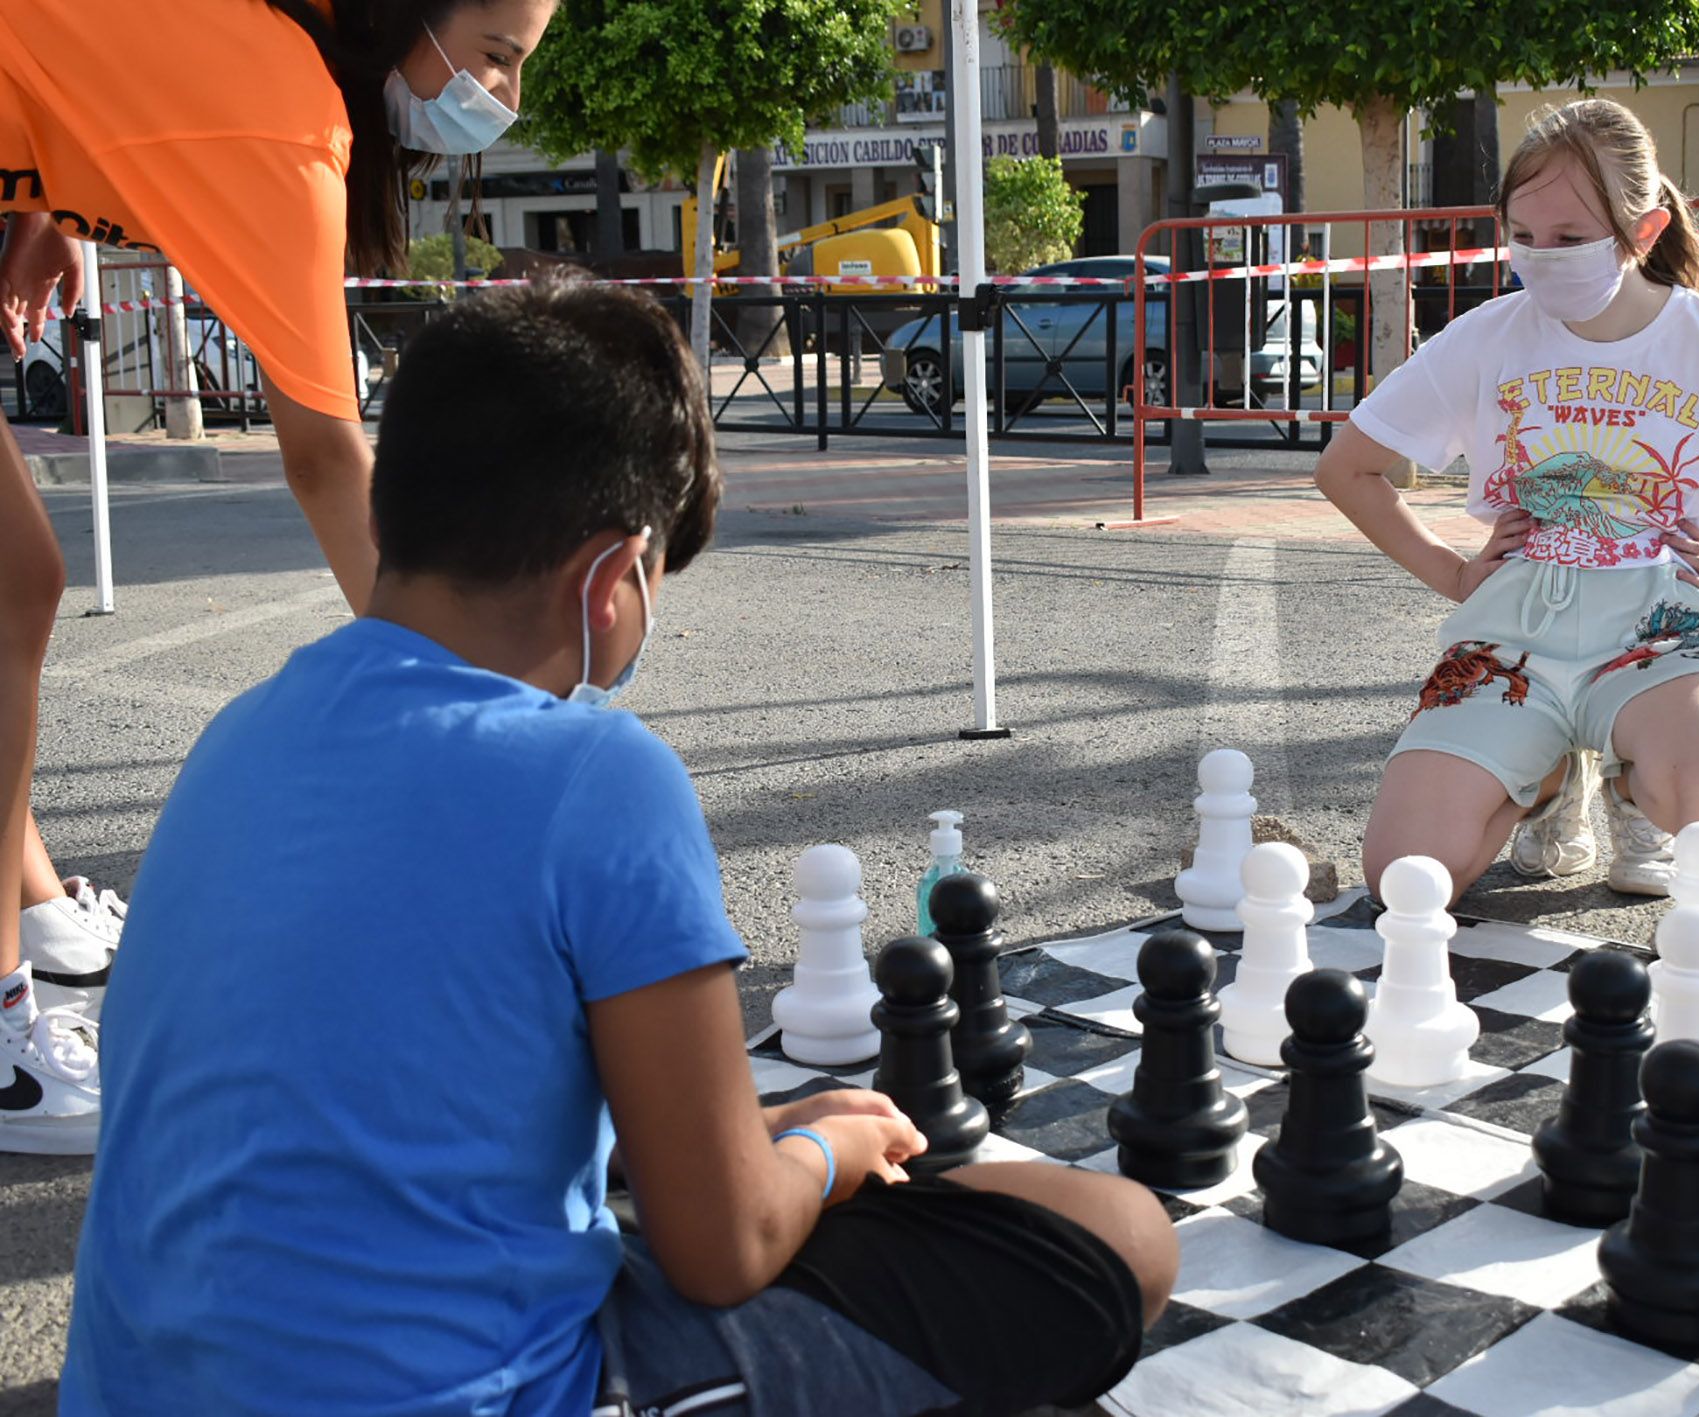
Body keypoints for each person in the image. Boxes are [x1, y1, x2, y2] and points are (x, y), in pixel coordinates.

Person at [62, 278, 1176, 1415]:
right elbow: (724, 1248)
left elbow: (389, 1090)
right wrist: (823, 1157)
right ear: (608, 580)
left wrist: (744, 1137)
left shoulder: (239, 731)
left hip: (134, 1383)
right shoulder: (594, 771)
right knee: (1119, 1234)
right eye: (653, 581)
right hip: (485, 1392)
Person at [0, 0, 556, 1151]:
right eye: (496, 57)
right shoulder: (281, 114)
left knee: (16, 584)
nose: (503, 101)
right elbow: (325, 461)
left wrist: (43, 199)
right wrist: (499, 723)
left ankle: (32, 900)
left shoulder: (256, 57)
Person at [1316, 100, 1699, 904]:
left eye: (1569, 239)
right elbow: (1347, 468)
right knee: (1405, 874)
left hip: (1664, 628)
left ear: (1644, 230)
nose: (1540, 257)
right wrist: (1454, 575)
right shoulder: (1485, 337)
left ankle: (1635, 794)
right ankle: (1547, 774)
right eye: (1522, 236)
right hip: (1515, 626)